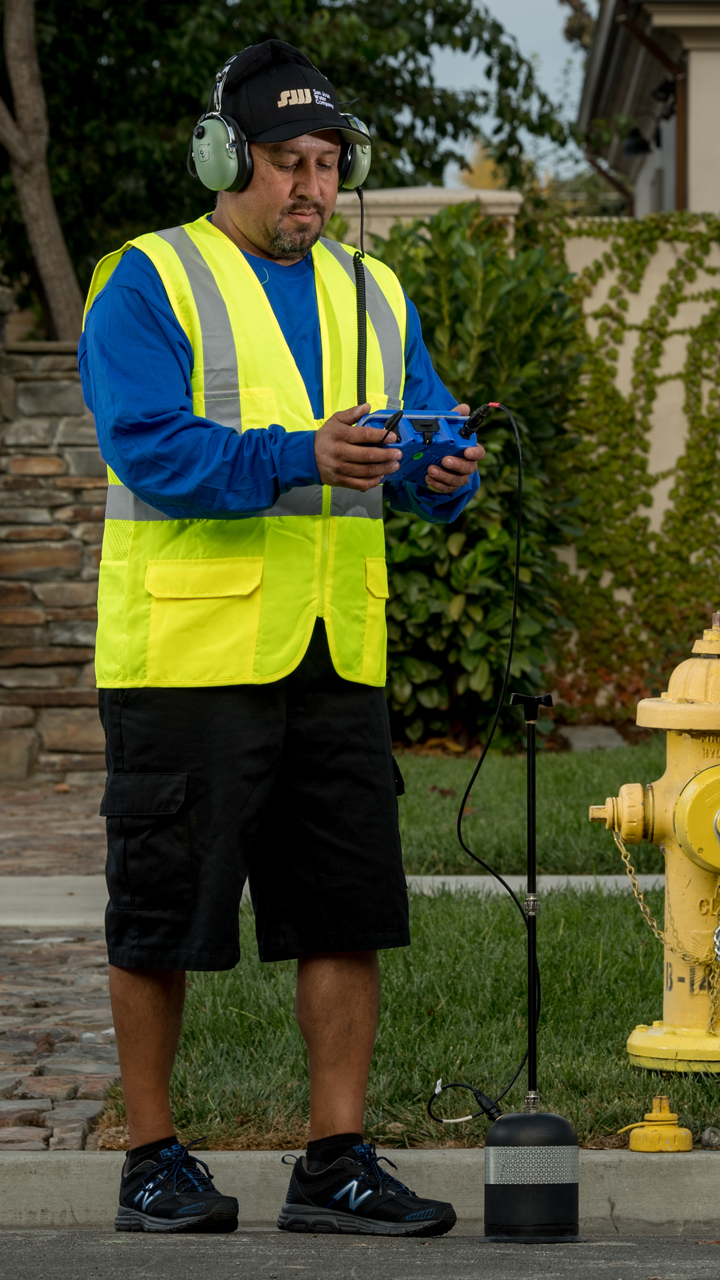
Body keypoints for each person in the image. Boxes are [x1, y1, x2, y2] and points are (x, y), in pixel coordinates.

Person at [79, 39, 483, 1237]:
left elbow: (414, 436)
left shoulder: (376, 289)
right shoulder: (147, 280)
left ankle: (335, 1159)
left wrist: (442, 472)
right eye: (286, 162)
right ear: (223, 157)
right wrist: (294, 453)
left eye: (327, 164)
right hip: (187, 660)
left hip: (335, 652)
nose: (310, 186)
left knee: (344, 909)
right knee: (160, 916)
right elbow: (148, 446)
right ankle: (152, 1155)